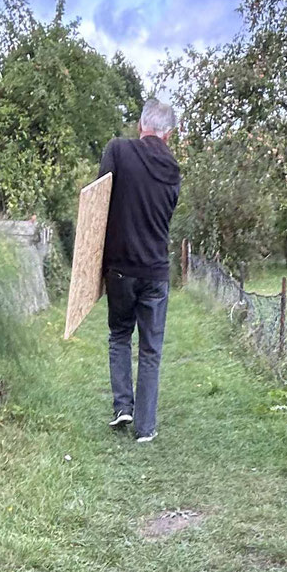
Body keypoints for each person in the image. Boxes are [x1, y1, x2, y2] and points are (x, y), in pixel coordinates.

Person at [99, 99, 181, 443]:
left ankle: (123, 407)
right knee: (150, 348)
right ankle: (145, 428)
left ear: (140, 125)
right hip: (156, 272)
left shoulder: (118, 151)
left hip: (119, 269)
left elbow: (97, 202)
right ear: (169, 134)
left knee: (120, 336)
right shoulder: (174, 171)